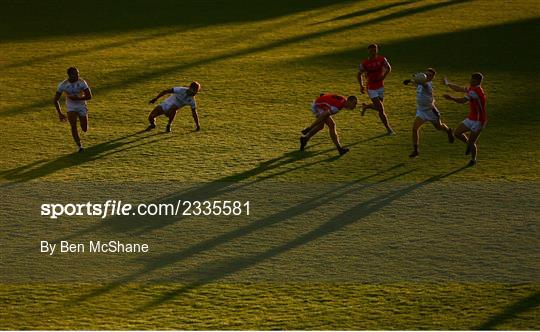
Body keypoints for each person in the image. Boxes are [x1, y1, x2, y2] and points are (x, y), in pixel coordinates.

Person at [403, 68, 454, 158]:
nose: (427, 76)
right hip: (421, 111)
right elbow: (418, 83)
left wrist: (415, 79)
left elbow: (423, 84)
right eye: (426, 74)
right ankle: (416, 150)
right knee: (415, 129)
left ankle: (448, 131)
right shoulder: (420, 83)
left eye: (429, 75)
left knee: (439, 127)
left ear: (432, 78)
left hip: (430, 111)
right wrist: (410, 81)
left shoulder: (428, 85)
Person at [443, 73, 487, 166]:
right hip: (471, 117)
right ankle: (468, 145)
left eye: (472, 80)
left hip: (479, 121)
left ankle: (473, 159)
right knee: (457, 133)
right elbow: (459, 88)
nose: (470, 81)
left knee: (472, 142)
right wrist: (447, 83)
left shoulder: (476, 92)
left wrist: (451, 98)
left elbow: (462, 101)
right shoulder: (472, 88)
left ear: (477, 81)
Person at [357, 43, 395, 135]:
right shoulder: (364, 63)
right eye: (371, 50)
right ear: (368, 51)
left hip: (380, 87)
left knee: (378, 107)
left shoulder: (382, 59)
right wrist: (361, 86)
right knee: (381, 109)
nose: (373, 52)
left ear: (377, 50)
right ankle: (389, 129)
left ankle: (366, 106)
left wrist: (383, 77)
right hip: (371, 88)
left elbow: (389, 68)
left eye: (375, 50)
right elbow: (359, 74)